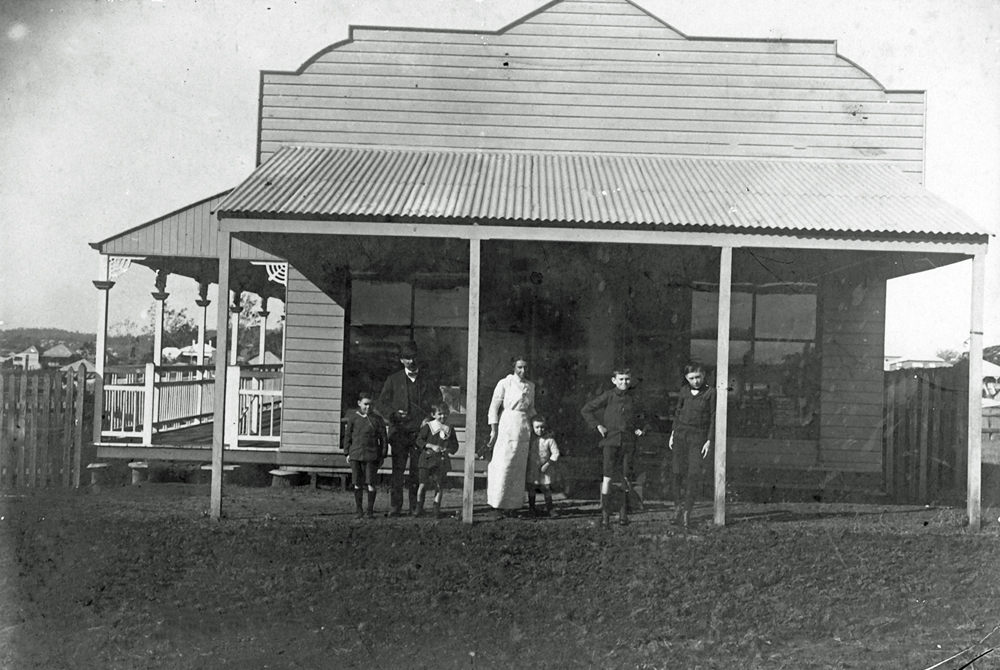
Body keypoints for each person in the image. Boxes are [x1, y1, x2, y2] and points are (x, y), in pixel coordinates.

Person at [376, 341, 439, 517]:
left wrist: (429, 418)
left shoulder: (428, 380)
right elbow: (381, 403)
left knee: (417, 471)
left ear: (418, 357)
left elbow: (438, 402)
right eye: (407, 358)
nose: (411, 361)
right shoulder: (393, 379)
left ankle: (415, 507)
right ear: (401, 360)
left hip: (420, 433)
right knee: (398, 471)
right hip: (399, 433)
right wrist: (394, 414)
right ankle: (395, 507)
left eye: (413, 357)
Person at [581, 367, 648, 527]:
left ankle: (623, 514)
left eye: (627, 379)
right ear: (614, 380)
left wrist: (642, 429)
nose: (624, 382)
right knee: (608, 477)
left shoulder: (634, 398)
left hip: (628, 442)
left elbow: (645, 417)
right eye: (621, 379)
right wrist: (598, 426)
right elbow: (586, 410)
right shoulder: (608, 395)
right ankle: (605, 516)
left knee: (625, 477)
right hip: (610, 442)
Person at [486, 357, 536, 519]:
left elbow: (531, 409)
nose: (523, 371)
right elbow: (494, 407)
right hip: (507, 426)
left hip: (523, 428)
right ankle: (498, 504)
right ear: (513, 367)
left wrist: (538, 421)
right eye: (519, 367)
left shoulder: (531, 386)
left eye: (525, 367)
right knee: (504, 465)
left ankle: (513, 506)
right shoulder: (505, 383)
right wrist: (493, 430)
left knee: (518, 468)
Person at [669, 362, 716, 528]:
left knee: (693, 474)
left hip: (698, 438)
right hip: (680, 435)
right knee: (676, 472)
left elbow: (713, 417)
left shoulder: (710, 392)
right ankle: (677, 509)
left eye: (698, 377)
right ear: (686, 378)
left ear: (703, 375)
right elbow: (678, 411)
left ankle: (687, 512)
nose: (695, 381)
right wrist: (673, 433)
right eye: (691, 378)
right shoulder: (684, 391)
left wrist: (709, 440)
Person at [343, 391, 387, 520]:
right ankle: (359, 511)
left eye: (370, 405)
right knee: (357, 483)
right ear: (359, 403)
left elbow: (383, 439)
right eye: (365, 404)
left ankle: (370, 511)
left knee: (370, 483)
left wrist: (382, 455)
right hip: (356, 455)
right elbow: (348, 436)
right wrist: (347, 453)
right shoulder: (353, 418)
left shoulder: (377, 419)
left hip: (372, 456)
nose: (368, 407)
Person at [415, 402, 460, 518]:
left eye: (445, 414)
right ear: (433, 415)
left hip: (441, 460)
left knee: (439, 485)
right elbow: (419, 441)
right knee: (422, 484)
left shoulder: (450, 428)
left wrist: (447, 450)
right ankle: (419, 508)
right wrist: (431, 446)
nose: (442, 416)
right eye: (440, 414)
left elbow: (455, 446)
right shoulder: (428, 426)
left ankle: (436, 509)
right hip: (427, 459)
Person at [526, 416, 560, 518]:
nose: (540, 430)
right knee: (532, 488)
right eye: (537, 427)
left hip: (545, 469)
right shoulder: (530, 439)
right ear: (532, 427)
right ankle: (532, 509)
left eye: (542, 427)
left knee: (546, 488)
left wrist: (548, 464)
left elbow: (556, 453)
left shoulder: (549, 440)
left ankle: (550, 509)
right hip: (532, 468)